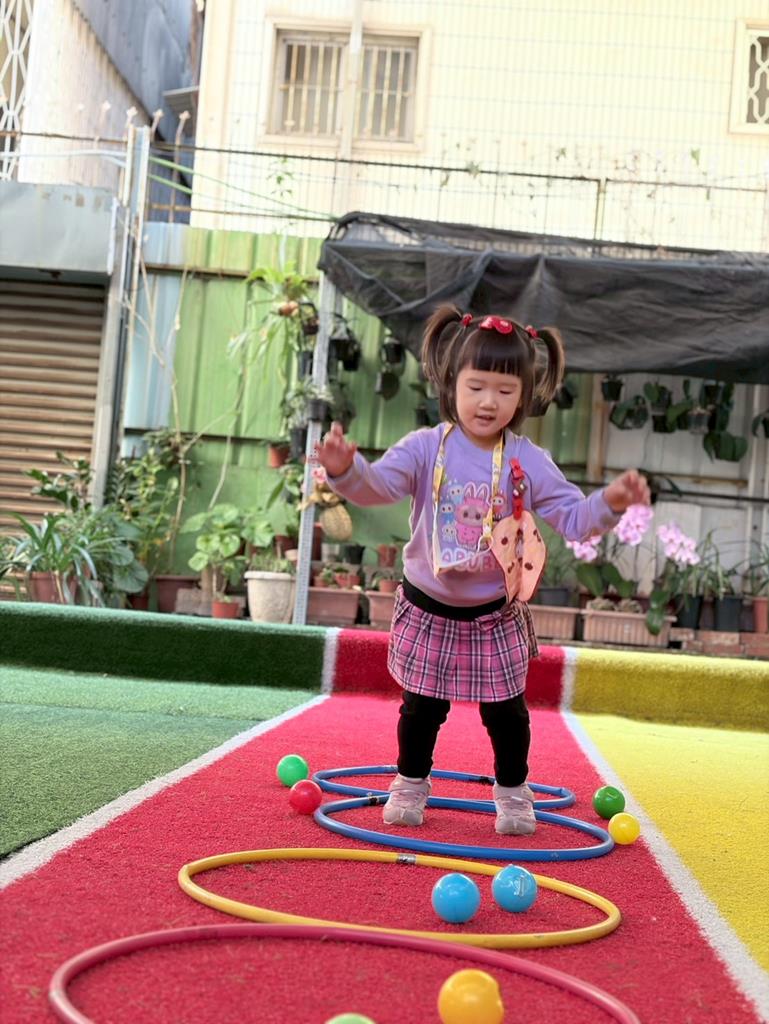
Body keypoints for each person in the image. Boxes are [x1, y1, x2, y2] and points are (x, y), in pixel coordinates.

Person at [314, 305, 650, 836]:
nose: (488, 401)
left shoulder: (527, 460)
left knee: (507, 713)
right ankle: (410, 783)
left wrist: (609, 501)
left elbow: (575, 520)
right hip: (428, 607)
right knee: (421, 709)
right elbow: (376, 487)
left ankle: (514, 794)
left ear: (524, 396)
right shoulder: (426, 448)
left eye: (504, 390)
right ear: (452, 383)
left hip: (493, 615)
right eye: (476, 387)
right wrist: (343, 469)